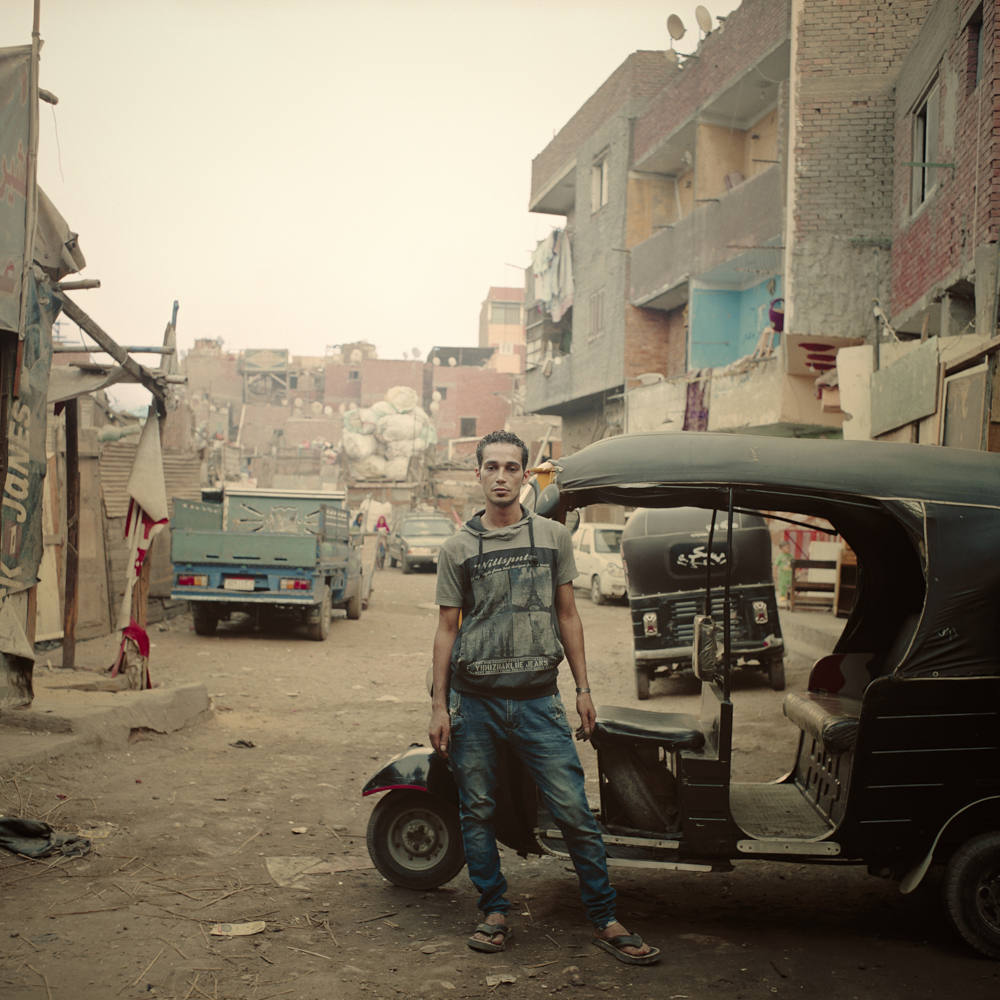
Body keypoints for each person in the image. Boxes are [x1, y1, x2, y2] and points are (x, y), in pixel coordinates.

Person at [429, 429, 660, 966]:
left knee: (575, 812)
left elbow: (567, 615)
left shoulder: (552, 538)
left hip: (538, 701)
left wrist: (583, 688)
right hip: (475, 703)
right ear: (479, 474)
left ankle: (604, 918)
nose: (502, 477)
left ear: (525, 475)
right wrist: (440, 706)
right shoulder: (458, 548)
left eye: (513, 467)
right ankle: (494, 912)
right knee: (478, 810)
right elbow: (446, 630)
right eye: (492, 467)